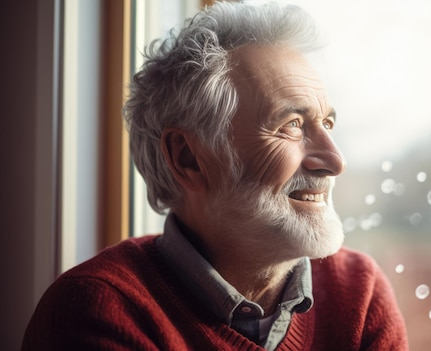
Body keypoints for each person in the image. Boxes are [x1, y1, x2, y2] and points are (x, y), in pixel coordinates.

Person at [22, 2, 408, 350]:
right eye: (291, 124)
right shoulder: (97, 309)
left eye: (326, 123)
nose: (334, 160)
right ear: (188, 158)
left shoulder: (358, 292)